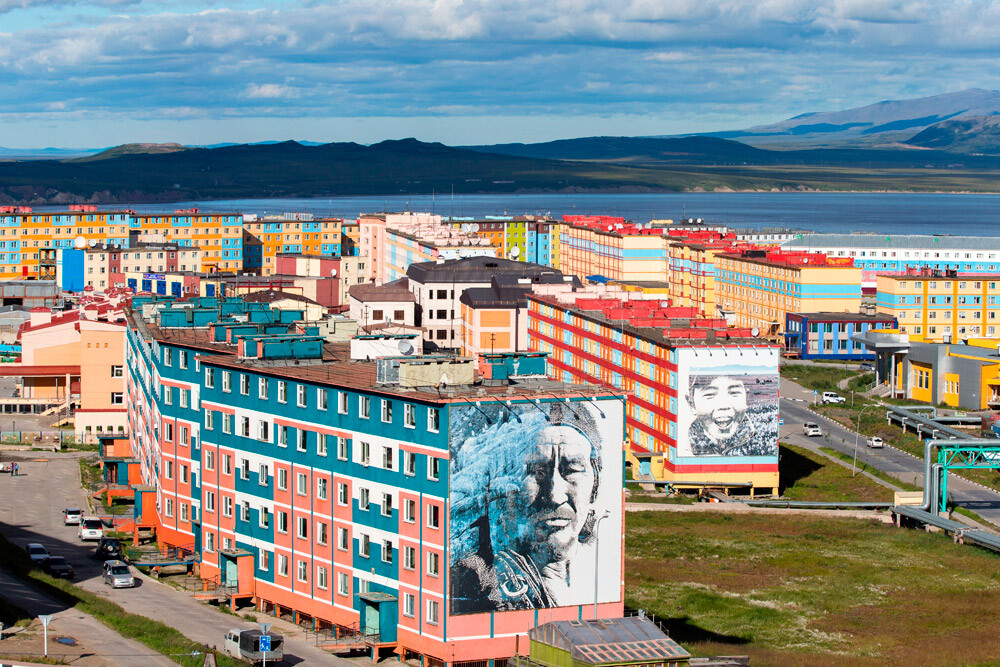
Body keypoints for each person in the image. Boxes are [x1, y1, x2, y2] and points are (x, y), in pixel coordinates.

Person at [450, 402, 603, 614]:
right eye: (537, 471)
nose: (554, 495)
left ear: (594, 487)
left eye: (572, 470)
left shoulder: (602, 572)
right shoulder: (471, 582)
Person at [686, 374, 754, 456]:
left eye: (734, 393)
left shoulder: (762, 443)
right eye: (710, 394)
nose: (724, 405)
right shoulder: (685, 447)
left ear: (747, 398)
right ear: (692, 404)